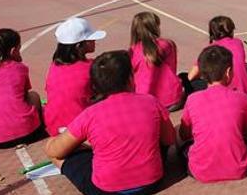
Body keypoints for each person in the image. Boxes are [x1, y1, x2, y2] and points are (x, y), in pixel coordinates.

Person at [44, 50, 176, 194]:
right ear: (130, 79)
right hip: (151, 182)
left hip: (106, 190)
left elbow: (54, 150)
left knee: (51, 145)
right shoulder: (151, 102)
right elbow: (169, 139)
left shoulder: (90, 114)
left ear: (95, 86)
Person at [179, 45, 247, 183]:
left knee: (178, 137)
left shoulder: (192, 99)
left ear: (202, 74)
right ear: (228, 72)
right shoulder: (241, 97)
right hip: (238, 168)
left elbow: (183, 135)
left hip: (200, 171)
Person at [44, 18, 106, 137]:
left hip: (54, 127)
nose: (94, 41)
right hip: (80, 129)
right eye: (90, 39)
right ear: (79, 46)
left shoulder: (54, 66)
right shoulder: (90, 68)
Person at [129, 12, 184, 111]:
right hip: (172, 99)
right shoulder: (168, 44)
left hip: (145, 101)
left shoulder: (133, 51)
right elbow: (173, 67)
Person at [188, 17, 247, 96]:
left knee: (191, 83)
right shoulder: (238, 42)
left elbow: (191, 76)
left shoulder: (210, 50)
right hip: (245, 90)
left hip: (228, 91)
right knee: (246, 66)